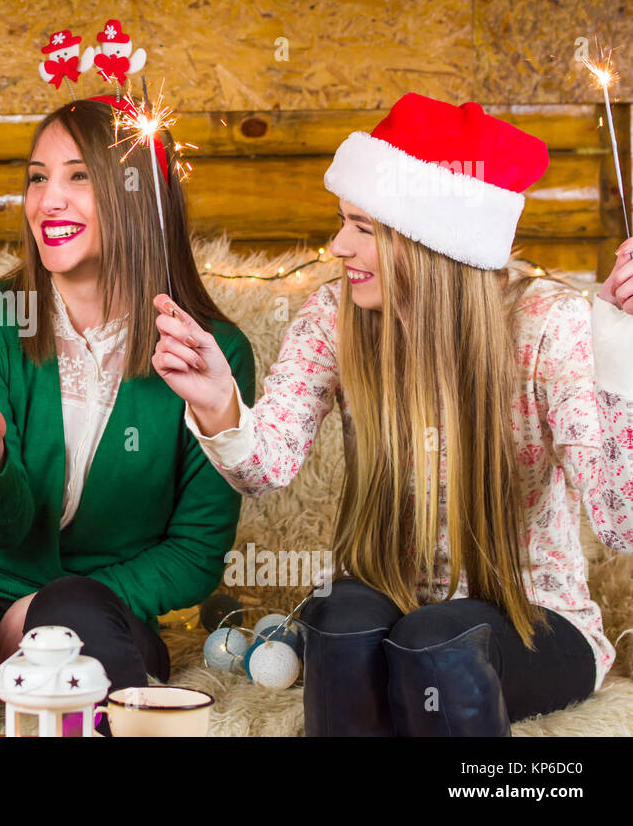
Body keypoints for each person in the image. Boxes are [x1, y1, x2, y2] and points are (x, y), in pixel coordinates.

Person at [153, 92, 633, 736]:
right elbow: (264, 469)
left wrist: (619, 361)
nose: (336, 245)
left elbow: (619, 521)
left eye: (363, 227)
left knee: (435, 642)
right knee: (340, 624)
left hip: (534, 619)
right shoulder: (333, 318)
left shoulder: (550, 323)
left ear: (433, 239)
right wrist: (216, 401)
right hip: (386, 588)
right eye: (342, 220)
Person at [0, 98, 256, 731]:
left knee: (75, 604)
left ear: (138, 195)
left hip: (103, 608)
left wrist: (44, 606)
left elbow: (197, 553)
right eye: (38, 177)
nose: (48, 201)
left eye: (78, 176)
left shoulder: (210, 351)